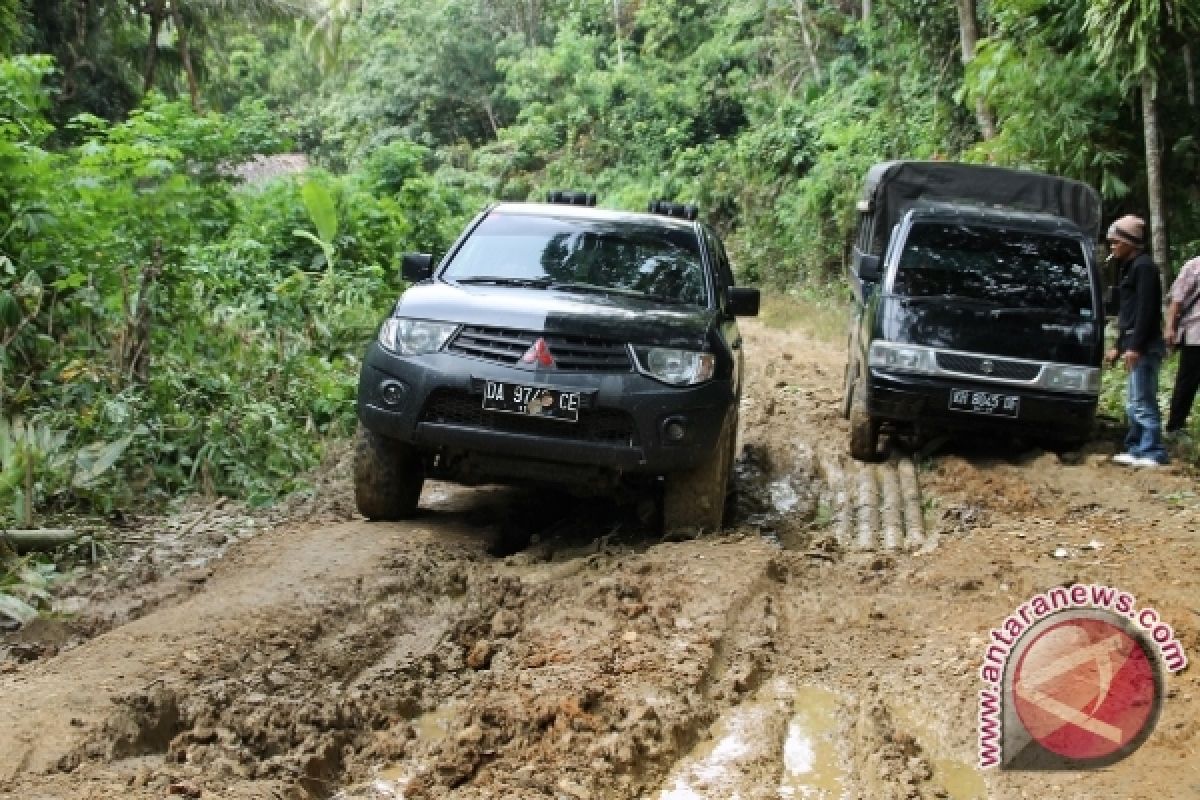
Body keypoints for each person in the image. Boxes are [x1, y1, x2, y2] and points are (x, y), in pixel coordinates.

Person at [1105, 215, 1169, 467]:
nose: (1112, 247)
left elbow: (1146, 311)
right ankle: (1135, 447)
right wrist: (1119, 345)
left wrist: (1135, 346)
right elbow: (1128, 313)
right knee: (1133, 400)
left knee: (1143, 398)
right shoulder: (1128, 268)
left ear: (1130, 242)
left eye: (1116, 242)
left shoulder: (1144, 267)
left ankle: (1152, 450)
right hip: (1132, 341)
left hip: (1144, 345)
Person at [1165, 255, 1200, 435]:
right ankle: (1175, 426)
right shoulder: (1194, 266)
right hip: (1195, 335)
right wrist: (1170, 328)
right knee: (1187, 383)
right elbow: (1177, 300)